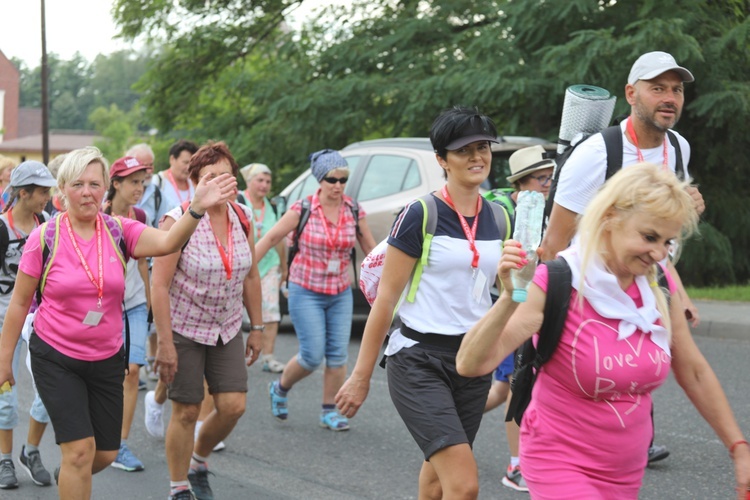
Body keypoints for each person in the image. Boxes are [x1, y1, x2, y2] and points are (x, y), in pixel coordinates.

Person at [457, 163, 750, 499]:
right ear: (610, 217)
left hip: (625, 471)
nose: (658, 253)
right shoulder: (558, 280)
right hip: (559, 461)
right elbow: (470, 363)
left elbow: (694, 371)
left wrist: (738, 446)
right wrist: (510, 297)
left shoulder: (658, 286)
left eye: (667, 242)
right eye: (649, 237)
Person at [0, 146, 236, 500]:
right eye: (78, 184)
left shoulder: (118, 230)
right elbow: (19, 303)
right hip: (55, 354)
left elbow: (170, 241)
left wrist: (197, 207)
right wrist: (4, 361)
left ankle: (70, 470)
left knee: (104, 454)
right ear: (63, 190)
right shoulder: (44, 238)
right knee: (80, 450)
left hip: (106, 356)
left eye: (95, 184)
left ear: (105, 187)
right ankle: (74, 465)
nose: (87, 192)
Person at [540, 50, 705, 463]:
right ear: (631, 94)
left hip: (649, 278)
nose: (669, 97)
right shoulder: (597, 154)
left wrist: (688, 215)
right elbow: (555, 242)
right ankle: (545, 451)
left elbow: (663, 227)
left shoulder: (679, 149)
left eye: (676, 89)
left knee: (641, 365)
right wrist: (552, 310)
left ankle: (631, 442)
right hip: (589, 289)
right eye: (657, 89)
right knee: (582, 379)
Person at [335, 106, 506, 499]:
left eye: (483, 147)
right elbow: (384, 300)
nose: (477, 157)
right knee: (463, 486)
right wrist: (361, 378)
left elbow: (503, 292)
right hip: (418, 360)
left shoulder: (499, 218)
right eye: (464, 150)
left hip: (472, 361)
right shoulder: (420, 214)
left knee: (436, 477)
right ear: (442, 160)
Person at [151, 141, 263, 500]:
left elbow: (251, 275)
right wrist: (165, 343)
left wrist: (257, 327)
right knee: (186, 410)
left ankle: (198, 461)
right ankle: (178, 486)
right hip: (184, 326)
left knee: (233, 405)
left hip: (226, 326)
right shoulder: (177, 218)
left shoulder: (242, 216)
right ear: (195, 182)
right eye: (210, 178)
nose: (219, 184)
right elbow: (159, 283)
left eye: (226, 176)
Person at [255, 148, 376, 432]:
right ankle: (280, 388)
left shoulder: (354, 210)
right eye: (332, 179)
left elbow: (371, 249)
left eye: (343, 179)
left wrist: (390, 281)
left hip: (339, 292)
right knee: (311, 355)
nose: (338, 185)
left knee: (337, 355)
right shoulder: (303, 209)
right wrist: (244, 268)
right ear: (320, 180)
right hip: (305, 289)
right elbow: (272, 237)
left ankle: (329, 411)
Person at [483, 144, 554, 493]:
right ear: (523, 182)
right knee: (518, 386)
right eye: (543, 179)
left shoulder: (545, 209)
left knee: (499, 390)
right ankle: (516, 465)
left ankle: (450, 414)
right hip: (509, 308)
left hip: (536, 304)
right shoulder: (504, 212)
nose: (548, 185)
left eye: (550, 179)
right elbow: (493, 268)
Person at [0, 161, 56, 489]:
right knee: (5, 397)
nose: (48, 196)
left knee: (50, 391)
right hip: (4, 319)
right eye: (43, 191)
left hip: (39, 320)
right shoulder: (2, 229)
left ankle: (30, 451)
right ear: (24, 193)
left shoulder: (49, 224)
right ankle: (5, 459)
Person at [102, 156, 152, 472]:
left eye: (142, 181)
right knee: (105, 374)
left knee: (132, 370)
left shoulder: (142, 215)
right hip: (101, 308)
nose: (139, 187)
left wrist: (149, 301)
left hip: (133, 304)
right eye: (133, 182)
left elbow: (144, 261)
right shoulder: (98, 215)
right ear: (116, 183)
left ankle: (119, 444)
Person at [237, 163, 288, 373]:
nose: (264, 185)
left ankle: (268, 357)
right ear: (249, 182)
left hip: (267, 266)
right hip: (239, 266)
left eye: (268, 181)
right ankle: (233, 358)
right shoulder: (239, 202)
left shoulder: (273, 207)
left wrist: (284, 268)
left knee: (272, 312)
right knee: (234, 312)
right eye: (260, 180)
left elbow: (279, 239)